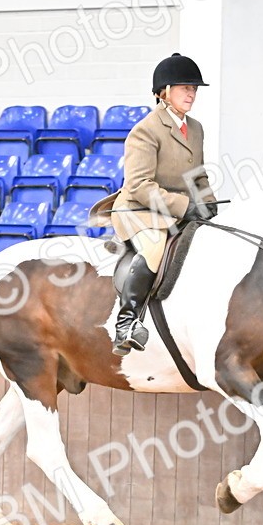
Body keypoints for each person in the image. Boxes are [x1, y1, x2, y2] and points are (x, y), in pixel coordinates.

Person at [90, 53, 219, 356]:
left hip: (178, 208)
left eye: (194, 89)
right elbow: (138, 185)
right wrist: (183, 205)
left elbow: (197, 175)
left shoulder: (196, 128)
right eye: (185, 87)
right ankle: (127, 322)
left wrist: (209, 204)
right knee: (154, 247)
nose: (192, 93)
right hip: (140, 209)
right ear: (165, 92)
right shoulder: (146, 130)